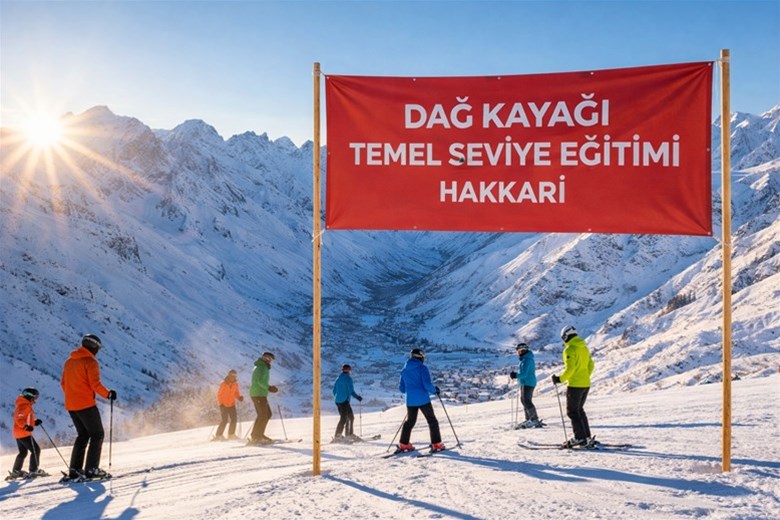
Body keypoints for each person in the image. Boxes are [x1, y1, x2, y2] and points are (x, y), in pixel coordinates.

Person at [61, 333, 116, 479]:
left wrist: (73, 395)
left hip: (71, 406)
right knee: (97, 435)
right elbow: (95, 384)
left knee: (83, 435)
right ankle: (91, 469)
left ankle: (74, 470)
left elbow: (63, 384)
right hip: (86, 404)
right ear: (94, 347)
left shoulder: (69, 361)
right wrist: (108, 394)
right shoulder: (90, 362)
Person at [552, 326, 595, 448]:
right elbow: (591, 365)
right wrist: (584, 376)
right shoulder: (584, 348)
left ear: (565, 336)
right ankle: (586, 436)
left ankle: (579, 438)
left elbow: (570, 369)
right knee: (579, 410)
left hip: (575, 385)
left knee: (572, 412)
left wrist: (560, 379)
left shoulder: (570, 349)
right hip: (585, 384)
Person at [398, 348, 445, 452]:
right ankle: (436, 443)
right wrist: (435, 390)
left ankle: (403, 444)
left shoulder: (404, 370)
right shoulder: (422, 368)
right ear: (420, 357)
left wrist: (412, 390)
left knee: (409, 422)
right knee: (432, 420)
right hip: (423, 399)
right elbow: (427, 385)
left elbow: (402, 389)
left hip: (410, 401)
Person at [8, 388, 46, 479]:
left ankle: (16, 471)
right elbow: (19, 418)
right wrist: (26, 426)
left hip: (18, 433)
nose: (35, 399)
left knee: (23, 452)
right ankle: (33, 470)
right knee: (36, 450)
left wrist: (34, 422)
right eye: (35, 397)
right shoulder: (24, 406)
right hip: (23, 433)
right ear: (30, 396)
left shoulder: (24, 404)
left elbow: (26, 418)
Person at [248, 352, 278, 445]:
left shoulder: (261, 366)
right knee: (264, 415)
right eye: (269, 359)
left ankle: (257, 435)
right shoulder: (262, 367)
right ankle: (257, 436)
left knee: (266, 414)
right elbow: (260, 381)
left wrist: (268, 387)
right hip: (258, 394)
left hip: (258, 394)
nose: (270, 361)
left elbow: (260, 381)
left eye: (271, 360)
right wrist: (269, 387)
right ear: (265, 358)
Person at [510, 342, 542, 428]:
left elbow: (524, 374)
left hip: (528, 383)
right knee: (524, 400)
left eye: (518, 351)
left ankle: (534, 419)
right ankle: (529, 419)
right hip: (526, 382)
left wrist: (515, 375)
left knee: (526, 401)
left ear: (522, 351)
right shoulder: (525, 359)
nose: (518, 353)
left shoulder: (527, 360)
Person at [332, 364, 363, 442]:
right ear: (348, 371)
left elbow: (334, 391)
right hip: (344, 401)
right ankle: (339, 436)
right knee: (345, 418)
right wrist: (358, 397)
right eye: (350, 370)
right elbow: (351, 391)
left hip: (338, 401)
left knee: (348, 417)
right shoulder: (348, 379)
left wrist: (338, 396)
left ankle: (348, 435)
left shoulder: (338, 378)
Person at [214, 369, 243, 440]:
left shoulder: (235, 384)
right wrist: (221, 404)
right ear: (229, 375)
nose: (233, 377)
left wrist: (239, 397)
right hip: (223, 405)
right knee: (224, 420)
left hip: (231, 404)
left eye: (234, 376)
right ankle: (218, 435)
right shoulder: (223, 384)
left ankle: (231, 434)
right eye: (232, 375)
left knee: (234, 419)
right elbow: (219, 395)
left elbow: (236, 393)